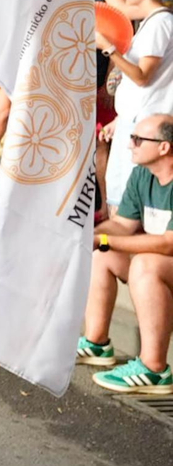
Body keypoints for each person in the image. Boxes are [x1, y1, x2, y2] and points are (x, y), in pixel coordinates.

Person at [81, 113, 173, 394]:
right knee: (103, 255)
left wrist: (104, 239)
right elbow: (122, 224)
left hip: (162, 259)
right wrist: (91, 237)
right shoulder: (143, 174)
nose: (129, 145)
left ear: (163, 147)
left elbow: (168, 244)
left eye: (137, 139)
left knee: (145, 264)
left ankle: (154, 368)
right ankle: (96, 343)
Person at [100, 0, 173, 209]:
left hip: (147, 125)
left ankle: (124, 245)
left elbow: (143, 76)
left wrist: (109, 50)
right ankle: (112, 246)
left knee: (130, 200)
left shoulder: (160, 24)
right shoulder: (151, 21)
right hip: (132, 119)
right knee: (117, 194)